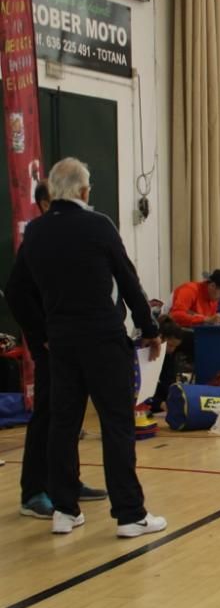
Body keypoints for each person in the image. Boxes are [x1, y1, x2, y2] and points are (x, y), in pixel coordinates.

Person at [5, 157, 166, 537]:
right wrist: (150, 328)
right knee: (116, 424)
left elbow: (15, 291)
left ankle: (64, 510)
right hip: (103, 340)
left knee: (63, 424)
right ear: (83, 190)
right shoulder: (98, 225)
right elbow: (128, 280)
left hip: (60, 344)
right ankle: (129, 514)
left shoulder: (37, 233)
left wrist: (40, 331)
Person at [7, 180, 108, 520]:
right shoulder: (36, 238)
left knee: (70, 414)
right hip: (51, 344)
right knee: (48, 414)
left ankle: (65, 483)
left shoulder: (68, 238)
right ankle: (33, 491)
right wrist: (41, 335)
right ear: (44, 204)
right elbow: (16, 292)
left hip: (73, 341)